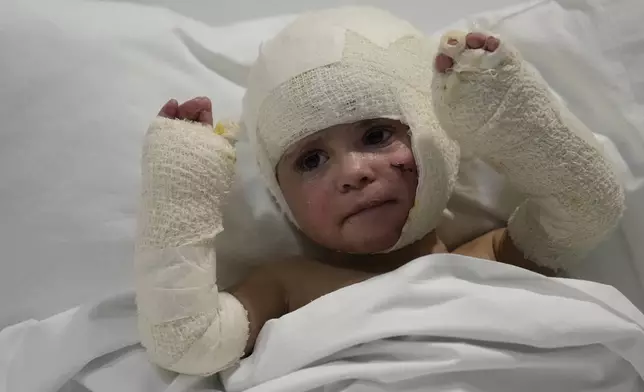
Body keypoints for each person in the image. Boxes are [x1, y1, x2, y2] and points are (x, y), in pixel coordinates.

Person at [134, 7, 624, 377]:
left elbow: (587, 205)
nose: (353, 173)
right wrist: (183, 192)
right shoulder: (287, 286)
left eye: (376, 136)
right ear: (282, 198)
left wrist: (501, 114)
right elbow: (187, 341)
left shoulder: (493, 256)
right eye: (311, 160)